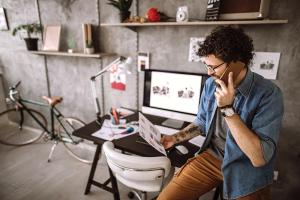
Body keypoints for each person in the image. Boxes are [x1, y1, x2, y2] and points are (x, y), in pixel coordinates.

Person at [157, 26, 284, 200]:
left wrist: (228, 110)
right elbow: (202, 122)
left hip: (247, 168)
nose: (209, 73)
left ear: (237, 60)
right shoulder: (211, 84)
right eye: (206, 66)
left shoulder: (269, 94)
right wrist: (176, 138)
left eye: (214, 67)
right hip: (212, 157)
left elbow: (259, 159)